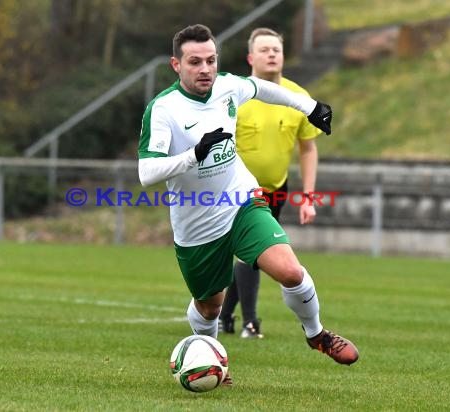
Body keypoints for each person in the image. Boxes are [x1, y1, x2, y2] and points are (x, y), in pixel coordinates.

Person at [138, 24, 358, 384]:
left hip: (241, 201)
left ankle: (317, 334)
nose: (205, 68)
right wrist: (193, 155)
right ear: (176, 65)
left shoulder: (227, 85)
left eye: (211, 60)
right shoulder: (163, 109)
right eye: (195, 62)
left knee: (290, 271)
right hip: (197, 223)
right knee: (210, 306)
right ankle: (211, 358)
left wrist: (311, 106)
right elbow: (147, 171)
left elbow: (265, 89)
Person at [219, 28, 323, 339]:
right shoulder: (234, 94)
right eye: (264, 50)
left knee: (253, 253)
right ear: (251, 58)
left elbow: (308, 148)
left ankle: (226, 316)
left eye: (276, 49)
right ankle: (250, 322)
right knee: (251, 252)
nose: (272, 54)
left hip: (277, 188)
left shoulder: (298, 97)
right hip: (234, 190)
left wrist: (308, 197)